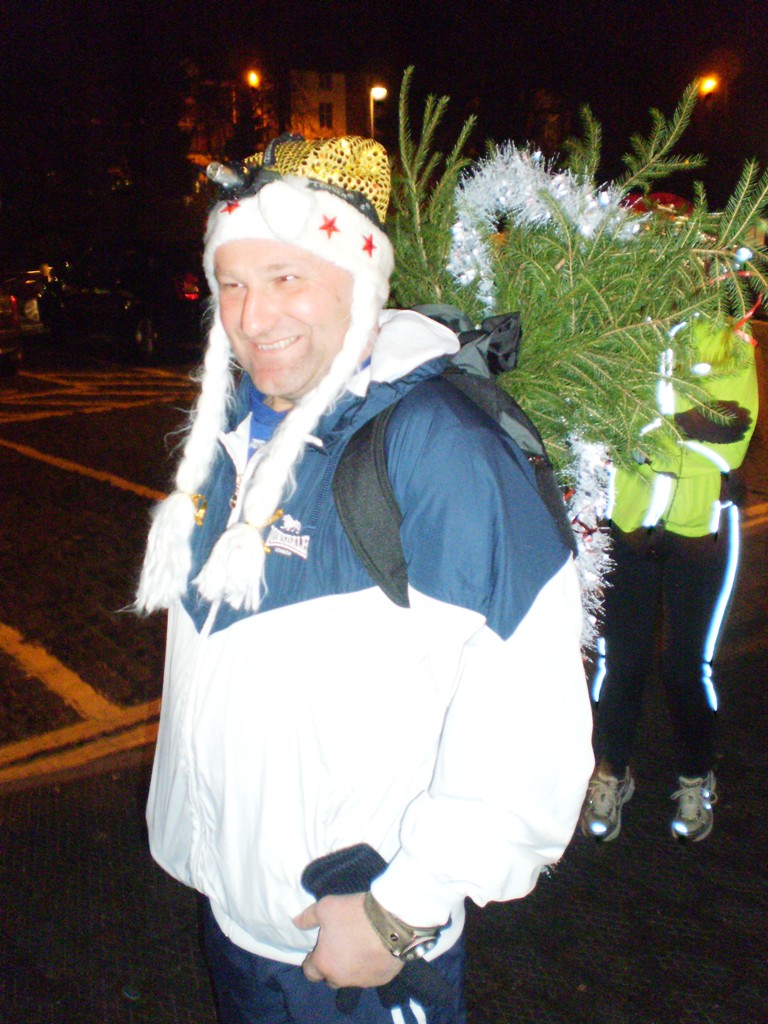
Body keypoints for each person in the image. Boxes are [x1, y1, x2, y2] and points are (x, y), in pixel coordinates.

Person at [137, 134, 593, 1024]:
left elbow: (529, 716)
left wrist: (400, 912)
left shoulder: (441, 445)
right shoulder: (234, 435)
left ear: (362, 279)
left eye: (286, 277)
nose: (252, 316)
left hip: (356, 946)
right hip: (241, 925)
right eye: (231, 283)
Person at [580, 316, 759, 843]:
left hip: (700, 531)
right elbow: (603, 425)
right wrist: (694, 422)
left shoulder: (731, 342)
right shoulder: (624, 326)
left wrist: (652, 428)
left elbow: (732, 445)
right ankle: (612, 771)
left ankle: (697, 774)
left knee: (686, 667)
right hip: (629, 524)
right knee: (620, 663)